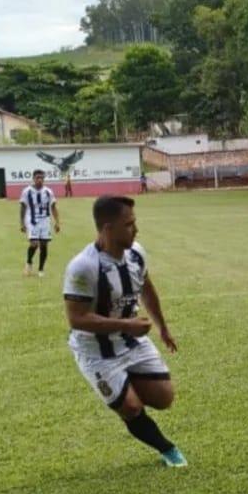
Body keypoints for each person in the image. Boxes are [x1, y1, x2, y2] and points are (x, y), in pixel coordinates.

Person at [62, 196, 186, 467]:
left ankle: (122, 386)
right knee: (130, 407)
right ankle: (167, 449)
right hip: (96, 351)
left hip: (131, 343)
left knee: (164, 398)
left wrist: (163, 328)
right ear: (108, 229)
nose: (136, 229)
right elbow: (76, 318)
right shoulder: (83, 267)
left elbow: (146, 288)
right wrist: (127, 325)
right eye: (129, 224)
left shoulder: (136, 254)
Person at [20, 169, 61, 277]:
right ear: (33, 178)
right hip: (32, 220)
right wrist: (22, 223)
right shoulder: (27, 191)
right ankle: (29, 262)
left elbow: (53, 207)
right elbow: (23, 207)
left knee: (44, 245)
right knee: (34, 243)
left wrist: (57, 222)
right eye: (37, 177)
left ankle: (41, 269)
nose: (40, 180)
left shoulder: (48, 192)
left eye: (42, 178)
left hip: (45, 221)